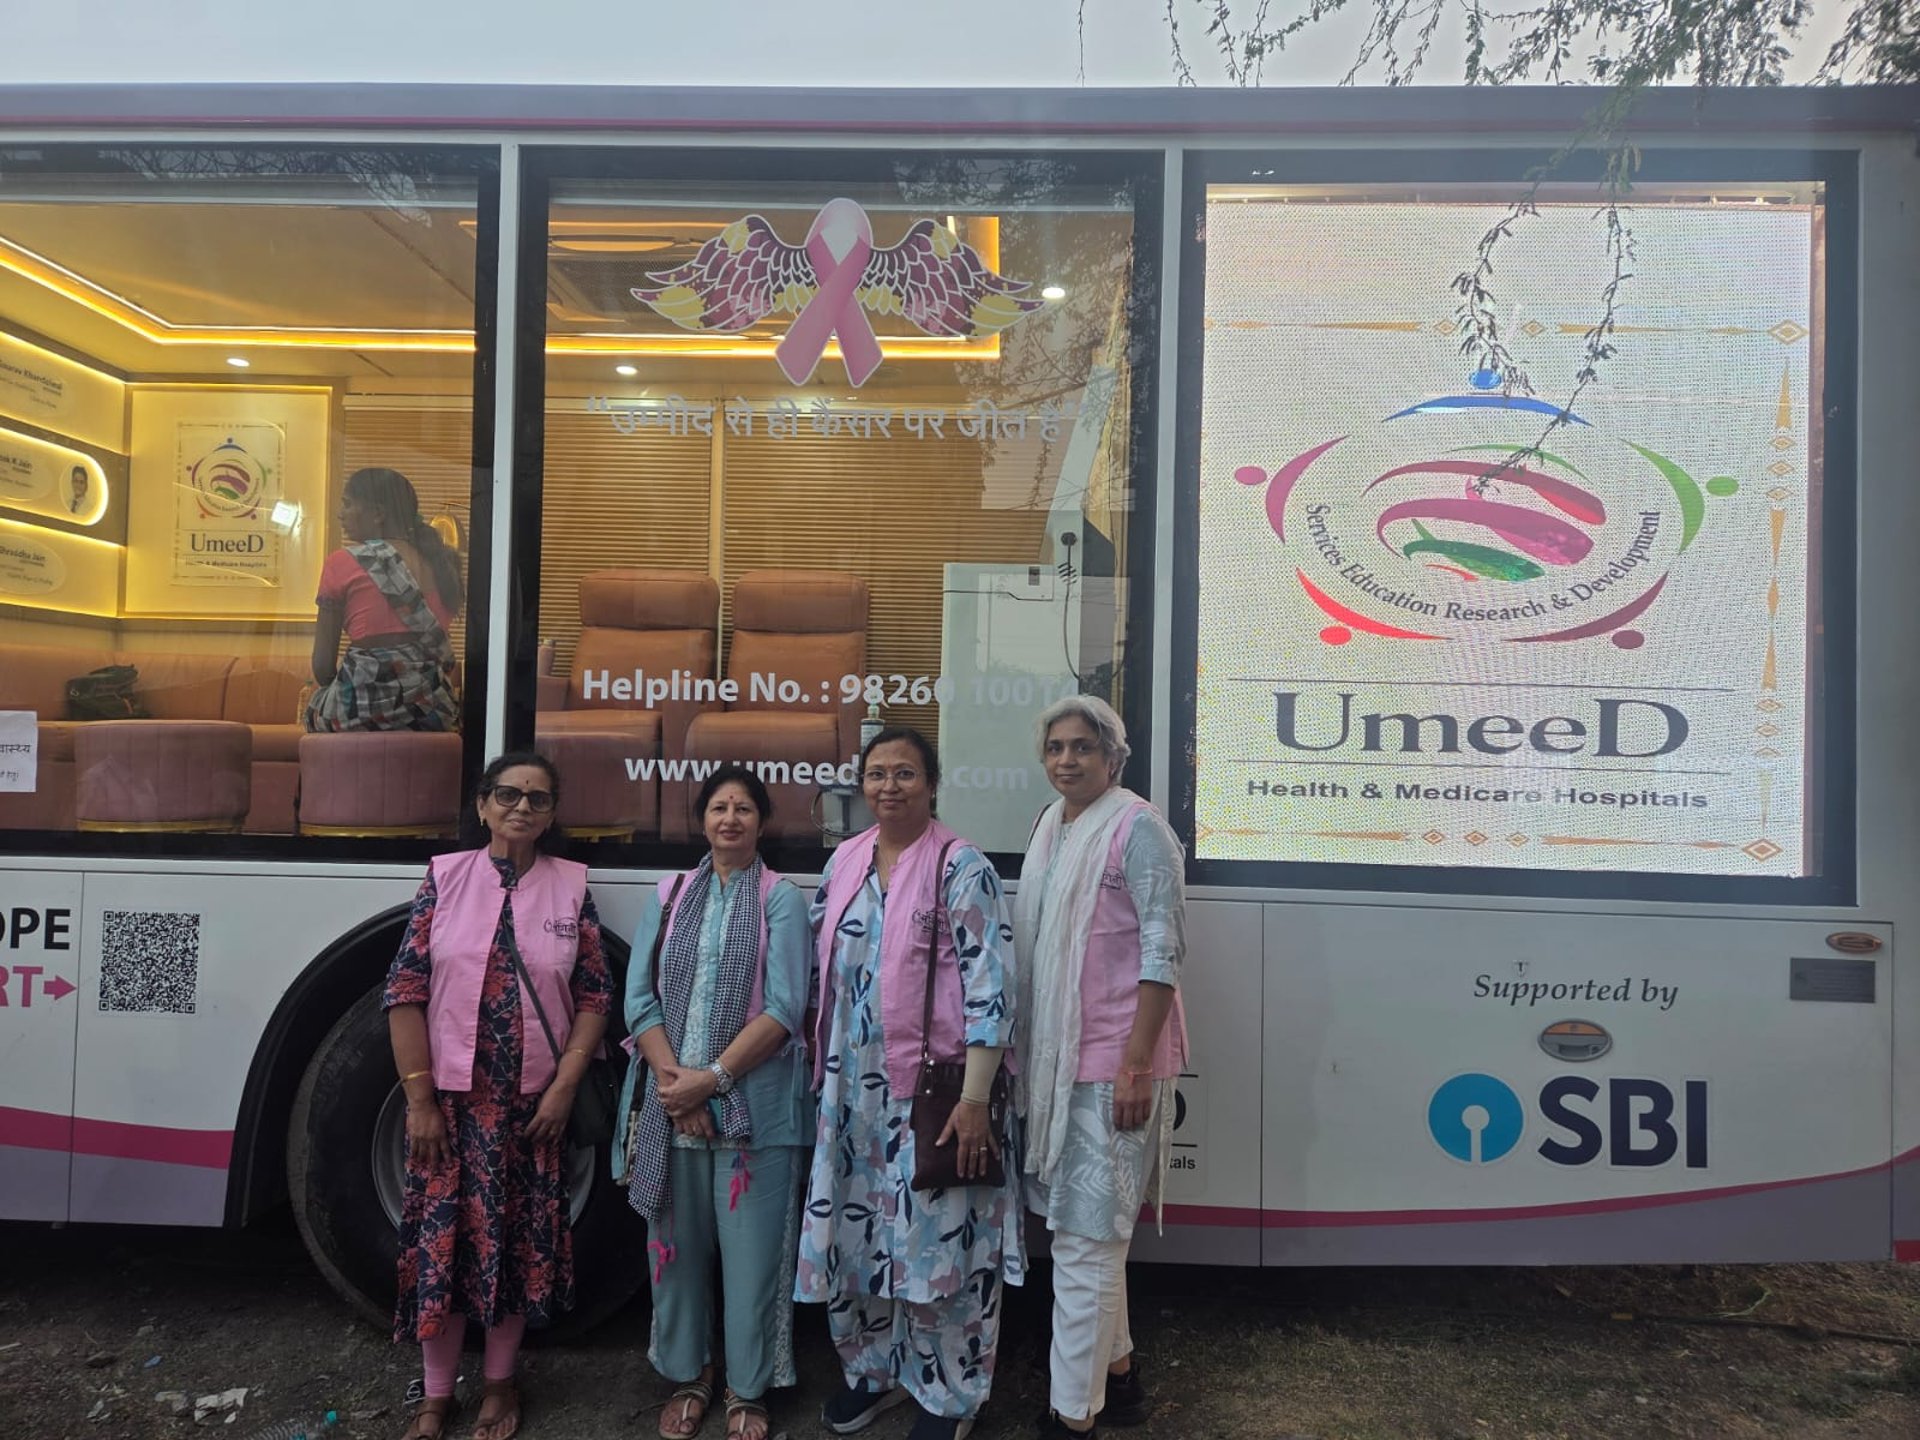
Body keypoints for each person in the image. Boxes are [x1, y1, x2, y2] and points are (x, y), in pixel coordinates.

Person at [795, 726, 1022, 1440]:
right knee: (855, 1238)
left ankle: (950, 1396)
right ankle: (874, 1372)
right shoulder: (845, 861)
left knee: (939, 1248)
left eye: (905, 773)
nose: (888, 786)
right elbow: (820, 970)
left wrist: (976, 1099)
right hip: (850, 1093)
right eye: (877, 773)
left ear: (931, 784)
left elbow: (992, 990)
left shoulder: (962, 866)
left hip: (937, 1096)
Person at [384, 751, 611, 1440]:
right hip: (451, 1113)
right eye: (508, 795)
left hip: (530, 1112)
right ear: (482, 806)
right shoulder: (445, 878)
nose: (522, 808)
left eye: (538, 799)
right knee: (442, 1248)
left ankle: (500, 1384)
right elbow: (405, 991)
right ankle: (435, 1395)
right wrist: (420, 1102)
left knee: (513, 1246)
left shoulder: (571, 887)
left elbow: (594, 996)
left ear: (551, 815)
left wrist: (564, 1088)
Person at [614, 765, 814, 1440]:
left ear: (762, 822)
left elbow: (785, 1008)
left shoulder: (781, 900)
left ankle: (747, 1388)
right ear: (702, 820)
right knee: (674, 1252)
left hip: (757, 1113)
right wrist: (679, 1089)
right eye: (719, 808)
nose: (730, 819)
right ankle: (689, 1374)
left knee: (753, 1262)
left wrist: (714, 1080)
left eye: (744, 809)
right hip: (672, 1107)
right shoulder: (669, 894)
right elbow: (639, 999)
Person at [1016, 696, 1189, 1438]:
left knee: (1086, 1244)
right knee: (1085, 1235)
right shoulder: (1049, 826)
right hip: (1055, 1066)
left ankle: (1072, 1416)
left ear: (1113, 758)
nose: (1067, 759)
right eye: (1055, 747)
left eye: (1083, 747)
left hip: (1117, 1065)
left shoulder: (1139, 828)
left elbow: (1163, 951)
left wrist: (1136, 1065)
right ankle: (1119, 1379)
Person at [307, 466, 464, 733]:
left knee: (313, 709)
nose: (340, 514)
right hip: (433, 716)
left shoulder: (341, 562)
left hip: (358, 716)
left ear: (378, 513)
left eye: (347, 504)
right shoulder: (442, 564)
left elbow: (322, 667)